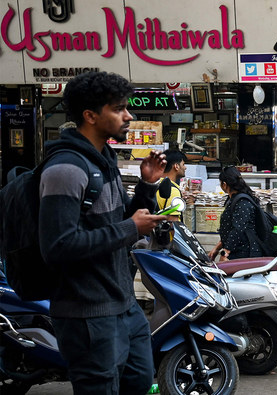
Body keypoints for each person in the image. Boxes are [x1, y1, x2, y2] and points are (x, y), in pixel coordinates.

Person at [39, 71, 167, 394]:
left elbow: (116, 220)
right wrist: (130, 228)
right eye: (118, 109)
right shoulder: (66, 169)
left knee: (139, 381)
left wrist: (147, 186)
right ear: (90, 116)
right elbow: (58, 245)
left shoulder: (104, 159)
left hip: (123, 304)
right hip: (87, 314)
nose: (129, 116)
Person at [208, 166, 263, 261]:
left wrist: (225, 252)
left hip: (244, 253)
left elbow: (238, 229)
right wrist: (217, 248)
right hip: (238, 251)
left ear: (224, 184)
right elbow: (230, 229)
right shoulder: (233, 199)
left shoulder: (242, 201)